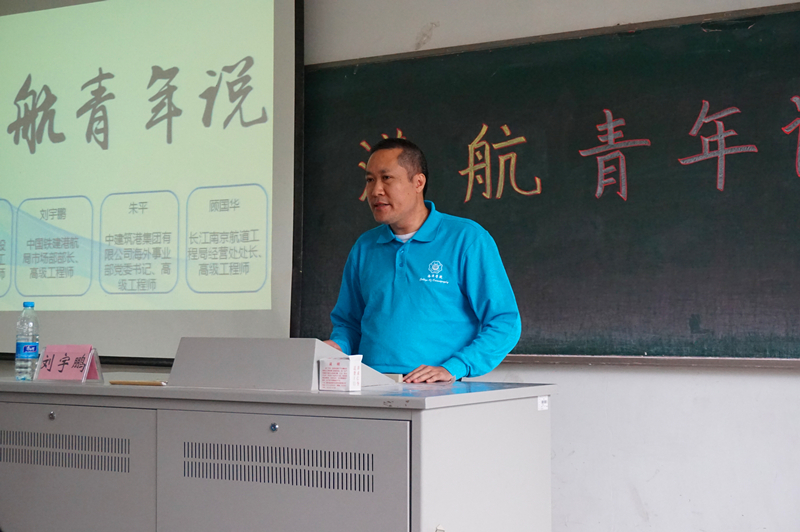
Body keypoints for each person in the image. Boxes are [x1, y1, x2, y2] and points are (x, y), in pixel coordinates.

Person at [325, 138, 521, 383]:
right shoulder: (365, 247)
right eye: (370, 180)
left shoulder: (466, 239)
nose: (375, 191)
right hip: (368, 385)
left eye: (386, 178)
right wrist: (337, 346)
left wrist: (455, 367)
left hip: (434, 390)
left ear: (418, 182)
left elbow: (504, 321)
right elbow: (349, 323)